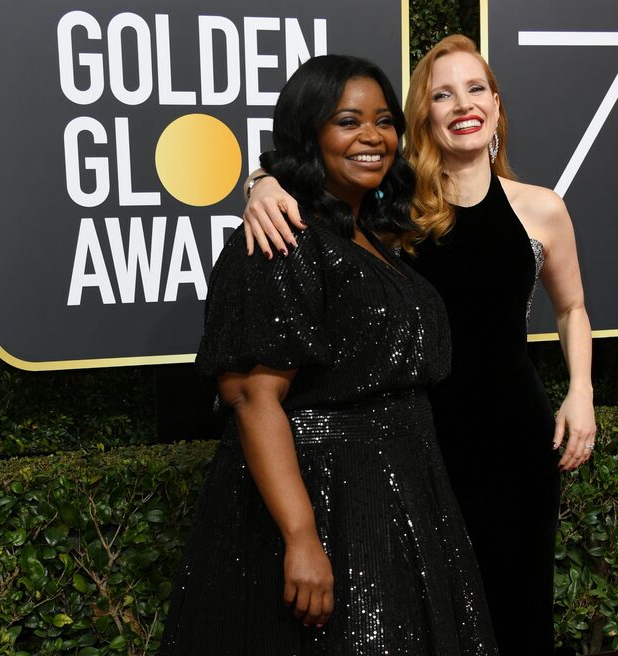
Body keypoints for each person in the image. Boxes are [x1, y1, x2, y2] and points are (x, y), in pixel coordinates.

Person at [240, 35, 596, 655]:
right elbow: (317, 176)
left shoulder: (542, 209)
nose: (464, 104)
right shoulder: (391, 205)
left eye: (476, 88)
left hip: (516, 441)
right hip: (418, 446)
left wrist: (581, 393)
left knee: (519, 609)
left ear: (497, 104)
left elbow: (572, 308)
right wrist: (261, 184)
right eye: (443, 93)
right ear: (422, 117)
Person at [159, 54, 498, 655]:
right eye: (348, 120)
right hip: (328, 497)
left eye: (385, 120)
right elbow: (251, 395)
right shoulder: (281, 237)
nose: (373, 136)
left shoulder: (377, 233)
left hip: (403, 491)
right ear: (309, 133)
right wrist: (300, 535)